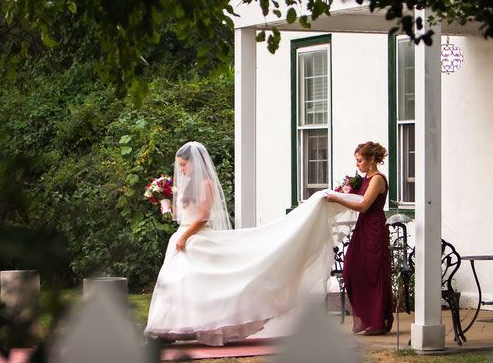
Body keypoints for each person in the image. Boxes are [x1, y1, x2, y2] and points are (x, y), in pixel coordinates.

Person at [144, 141, 358, 346]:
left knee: (197, 284)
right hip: (183, 238)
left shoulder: (205, 183)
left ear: (195, 163)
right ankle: (168, 328)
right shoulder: (186, 186)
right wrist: (164, 203)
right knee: (176, 284)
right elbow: (184, 214)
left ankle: (204, 326)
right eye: (179, 165)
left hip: (195, 238)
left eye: (183, 165)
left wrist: (185, 236)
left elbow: (202, 216)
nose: (180, 170)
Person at [325, 142, 393, 335]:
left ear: (371, 160)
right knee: (351, 271)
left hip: (374, 229)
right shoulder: (364, 179)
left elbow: (363, 205)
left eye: (360, 160)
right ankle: (366, 317)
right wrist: (339, 193)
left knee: (374, 273)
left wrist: (337, 199)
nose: (358, 164)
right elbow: (356, 200)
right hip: (362, 228)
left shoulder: (378, 179)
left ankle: (378, 321)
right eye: (357, 160)